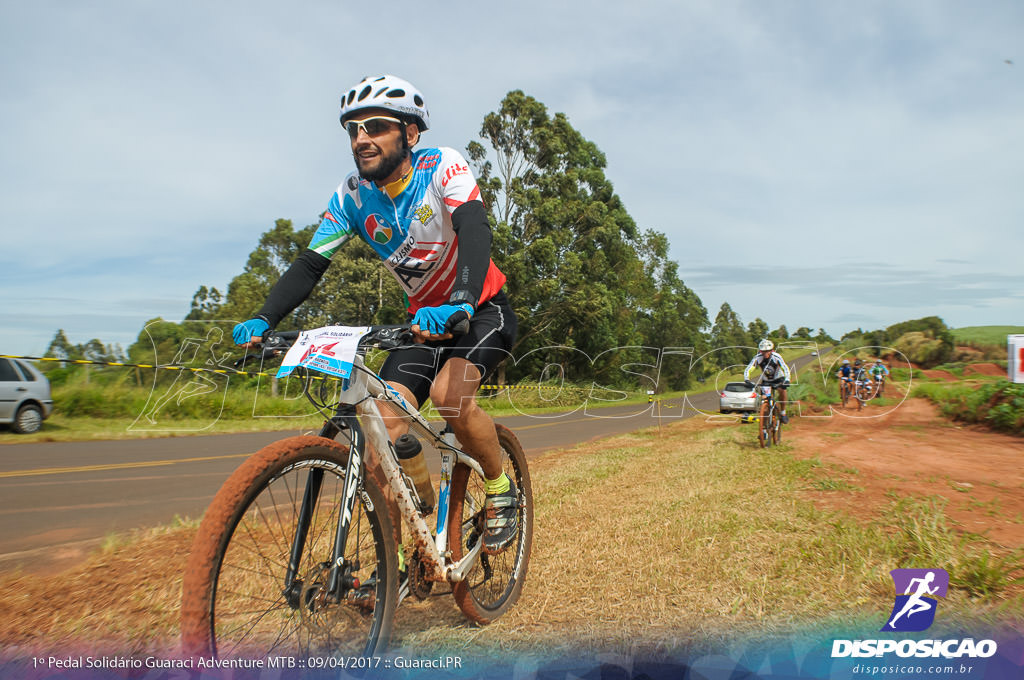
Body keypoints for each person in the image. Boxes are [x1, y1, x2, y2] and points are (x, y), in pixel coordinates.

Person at [232, 75, 519, 555]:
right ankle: (403, 554)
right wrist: (265, 317)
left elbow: (473, 226)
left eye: (376, 126)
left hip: (482, 310)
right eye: (353, 129)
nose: (361, 138)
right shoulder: (351, 195)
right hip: (423, 325)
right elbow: (310, 264)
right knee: (381, 427)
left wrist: (465, 299)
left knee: (451, 397)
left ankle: (499, 487)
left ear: (410, 133)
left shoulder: (441, 166)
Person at [743, 339, 791, 423]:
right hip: (766, 381)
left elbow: (785, 367)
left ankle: (783, 413)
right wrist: (747, 379)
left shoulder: (776, 357)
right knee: (764, 400)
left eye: (767, 351)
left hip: (778, 379)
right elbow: (749, 368)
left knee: (782, 391)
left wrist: (787, 380)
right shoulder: (758, 358)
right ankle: (764, 429)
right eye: (763, 351)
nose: (765, 353)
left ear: (771, 351)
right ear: (760, 351)